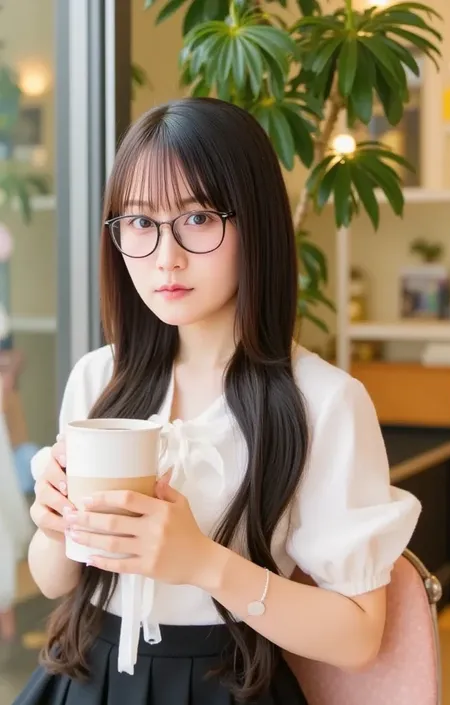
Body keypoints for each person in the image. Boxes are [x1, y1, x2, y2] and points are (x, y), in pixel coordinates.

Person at [15, 98, 421, 705]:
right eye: (140, 223)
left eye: (199, 218)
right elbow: (54, 581)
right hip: (86, 679)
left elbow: (358, 637)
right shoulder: (100, 376)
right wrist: (51, 525)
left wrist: (202, 562)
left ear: (254, 222)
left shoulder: (322, 402)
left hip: (227, 687)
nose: (165, 257)